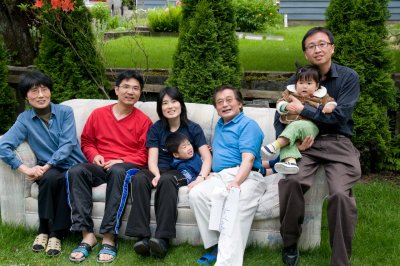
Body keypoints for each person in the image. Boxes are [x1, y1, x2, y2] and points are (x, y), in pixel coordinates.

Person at [277, 27, 362, 266]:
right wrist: (290, 141)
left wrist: (303, 110)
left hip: (338, 142)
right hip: (306, 146)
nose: (318, 49)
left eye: (322, 44)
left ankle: (340, 259)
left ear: (332, 48)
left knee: (340, 195)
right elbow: (280, 116)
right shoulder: (297, 81)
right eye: (311, 46)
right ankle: (290, 243)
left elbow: (339, 118)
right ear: (306, 54)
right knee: (291, 181)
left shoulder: (348, 78)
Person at [67, 70, 153, 263]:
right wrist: (94, 154)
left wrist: (121, 159)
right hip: (100, 164)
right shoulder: (98, 115)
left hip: (127, 166)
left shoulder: (143, 121)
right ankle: (87, 235)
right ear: (116, 90)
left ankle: (109, 238)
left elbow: (145, 153)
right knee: (76, 171)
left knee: (117, 171)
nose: (130, 92)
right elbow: (87, 141)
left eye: (136, 88)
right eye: (126, 87)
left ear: (140, 93)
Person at [0, 70, 86, 256]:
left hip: (75, 165)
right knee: (49, 179)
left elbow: (68, 144)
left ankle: (51, 232)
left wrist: (46, 165)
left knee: (58, 178)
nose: (40, 95)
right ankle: (47, 231)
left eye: (44, 89)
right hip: (50, 170)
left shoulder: (65, 112)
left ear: (50, 92)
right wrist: (25, 169)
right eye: (34, 91)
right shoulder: (24, 119)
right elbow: (3, 145)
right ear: (26, 96)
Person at [125, 87, 212, 258]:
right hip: (160, 168)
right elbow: (152, 159)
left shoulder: (193, 128)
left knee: (167, 180)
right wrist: (155, 174)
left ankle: (162, 239)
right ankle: (142, 237)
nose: (170, 106)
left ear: (181, 104)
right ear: (160, 108)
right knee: (140, 178)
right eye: (165, 103)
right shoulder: (156, 129)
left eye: (173, 101)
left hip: (182, 170)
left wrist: (202, 177)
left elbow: (207, 157)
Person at [189, 85, 266, 266]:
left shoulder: (248, 125)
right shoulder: (220, 125)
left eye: (229, 100)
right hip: (220, 176)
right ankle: (218, 244)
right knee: (196, 194)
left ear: (239, 103)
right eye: (219, 102)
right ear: (216, 108)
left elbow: (248, 159)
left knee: (234, 204)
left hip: (247, 176)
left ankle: (226, 262)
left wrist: (236, 181)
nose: (225, 104)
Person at [262, 65, 337, 175]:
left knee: (295, 127)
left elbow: (331, 102)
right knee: (289, 141)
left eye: (309, 83)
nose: (304, 86)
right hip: (291, 129)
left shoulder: (320, 95)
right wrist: (285, 106)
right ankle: (290, 163)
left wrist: (329, 107)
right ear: (296, 84)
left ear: (317, 86)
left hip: (309, 127)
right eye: (301, 83)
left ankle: (275, 145)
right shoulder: (290, 93)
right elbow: (280, 102)